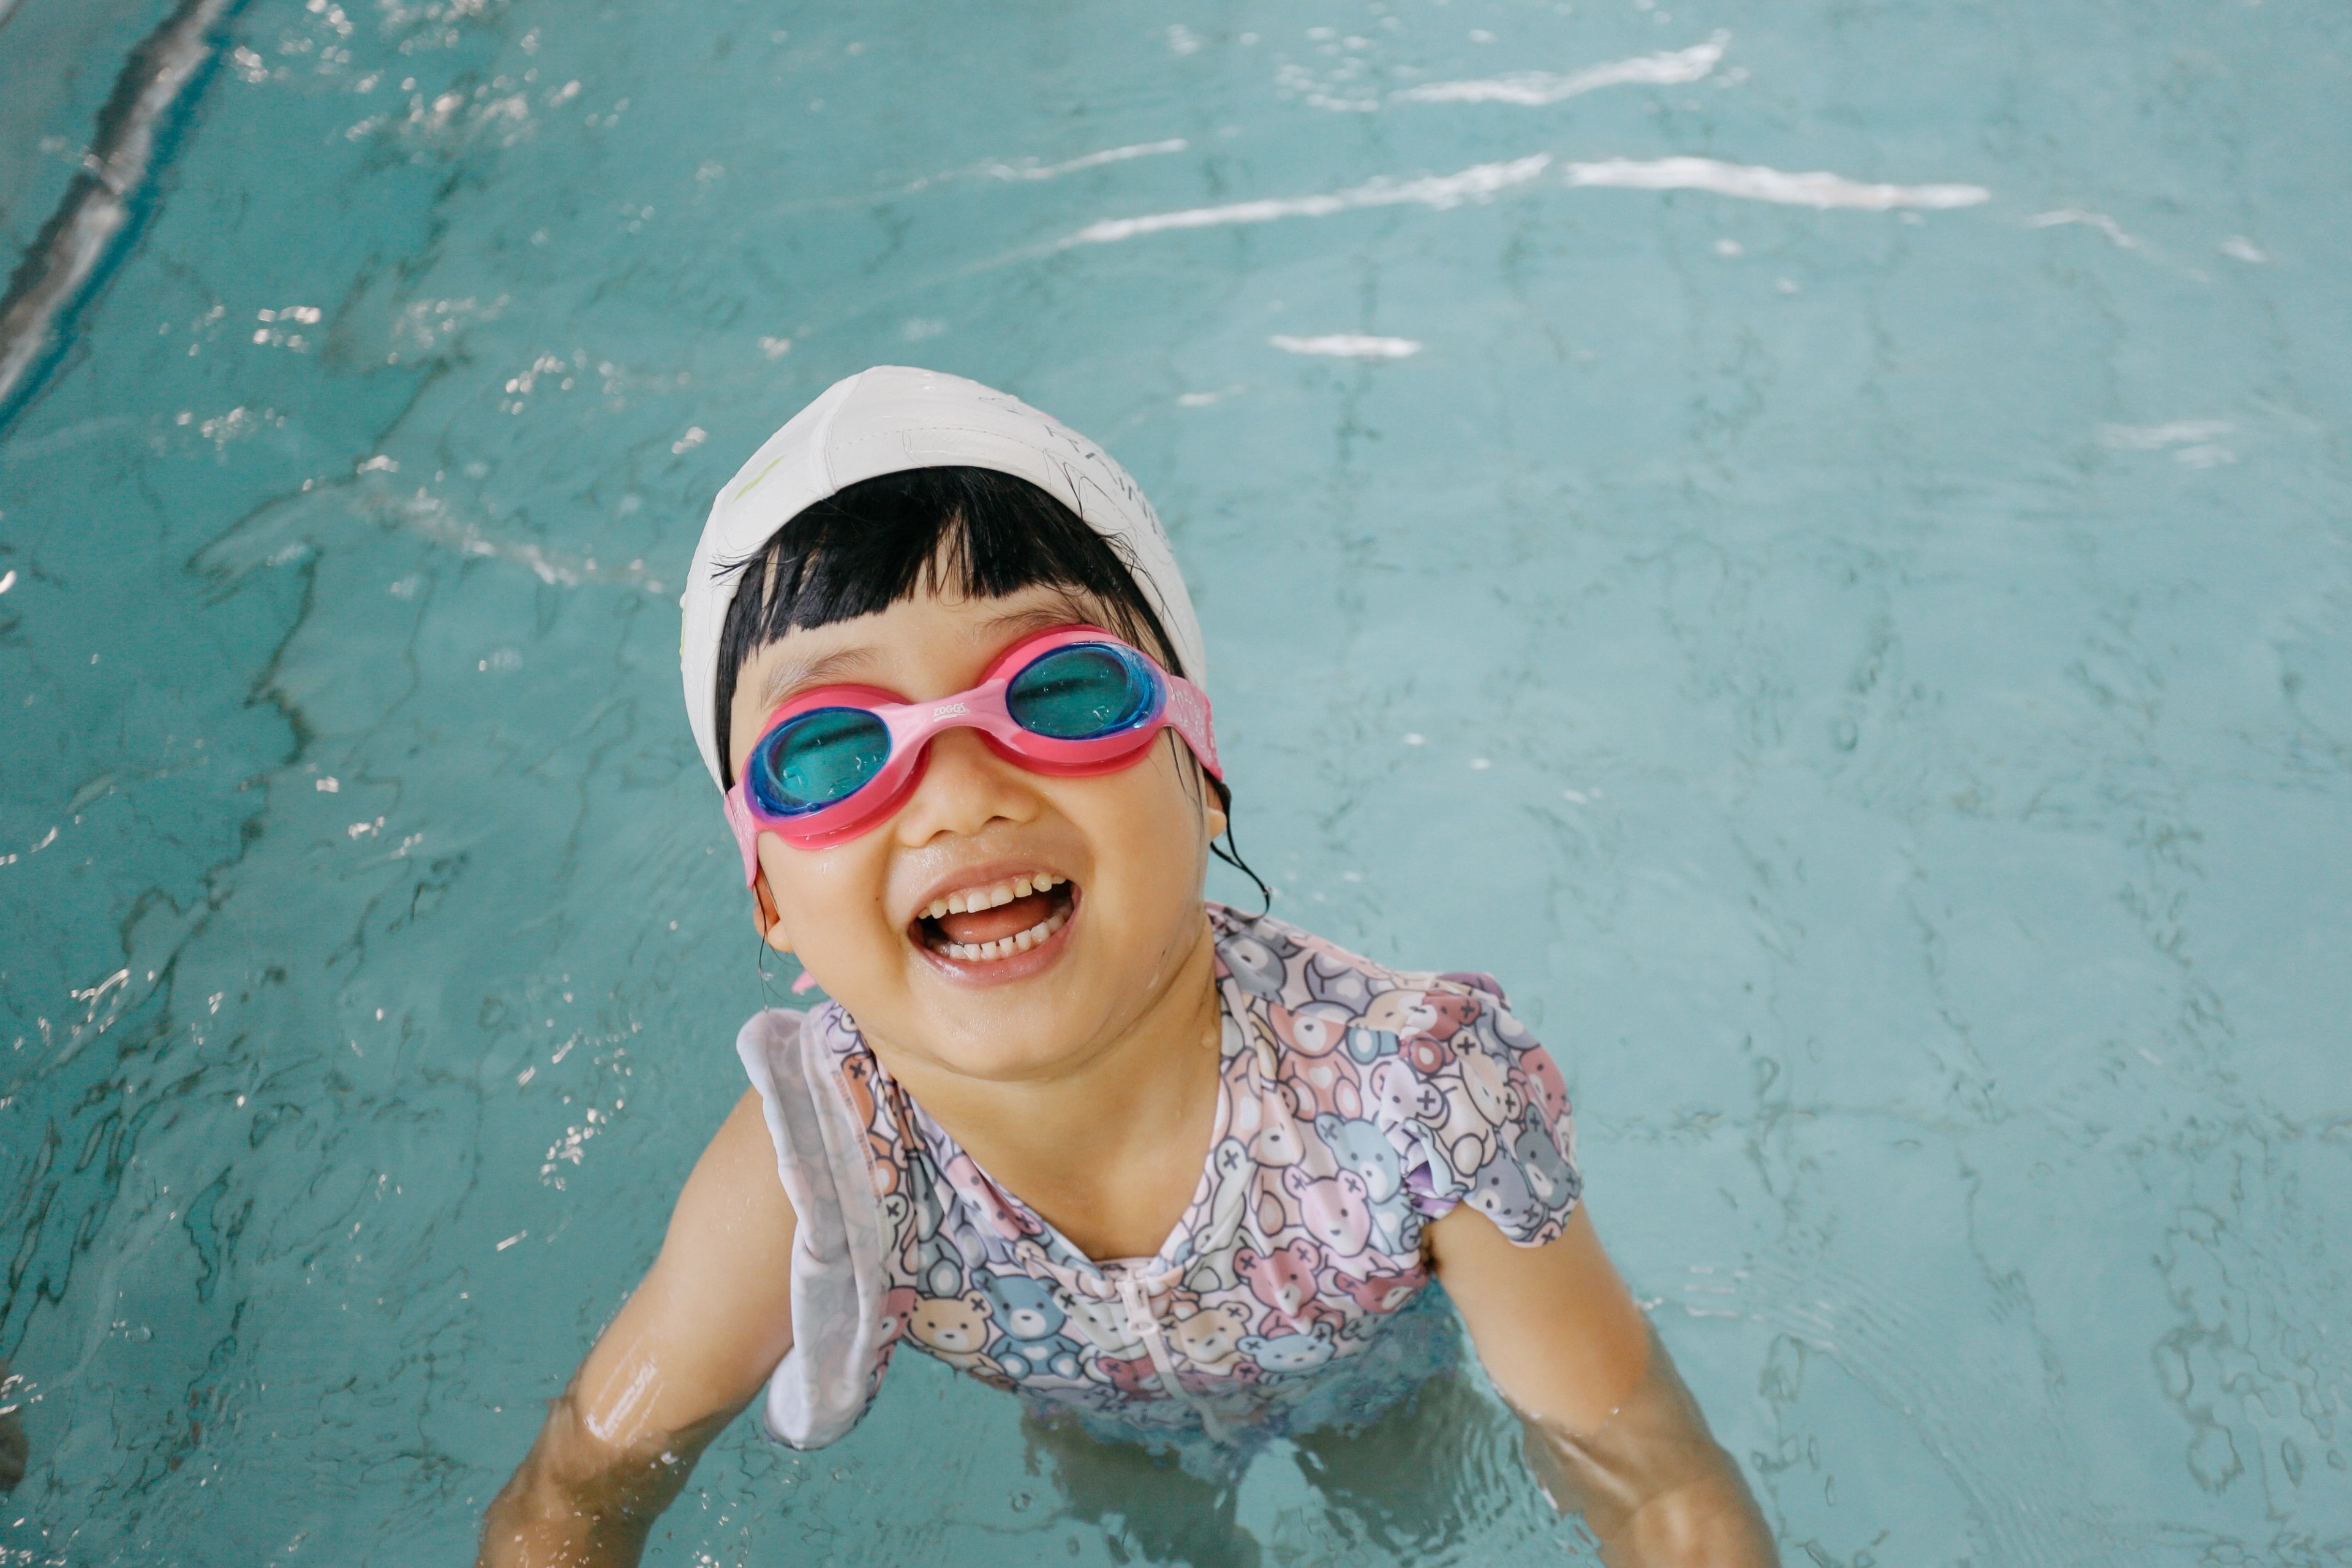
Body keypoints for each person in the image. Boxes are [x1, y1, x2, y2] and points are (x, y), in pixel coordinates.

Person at [477, 368, 1778, 1567]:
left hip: (1376, 1370)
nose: (959, 795)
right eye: (831, 749)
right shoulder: (815, 1172)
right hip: (1101, 1421)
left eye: (1058, 692)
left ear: (1202, 768)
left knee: (1416, 1507)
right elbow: (578, 1488)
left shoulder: (1417, 1104)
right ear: (765, 886)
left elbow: (1655, 1481)